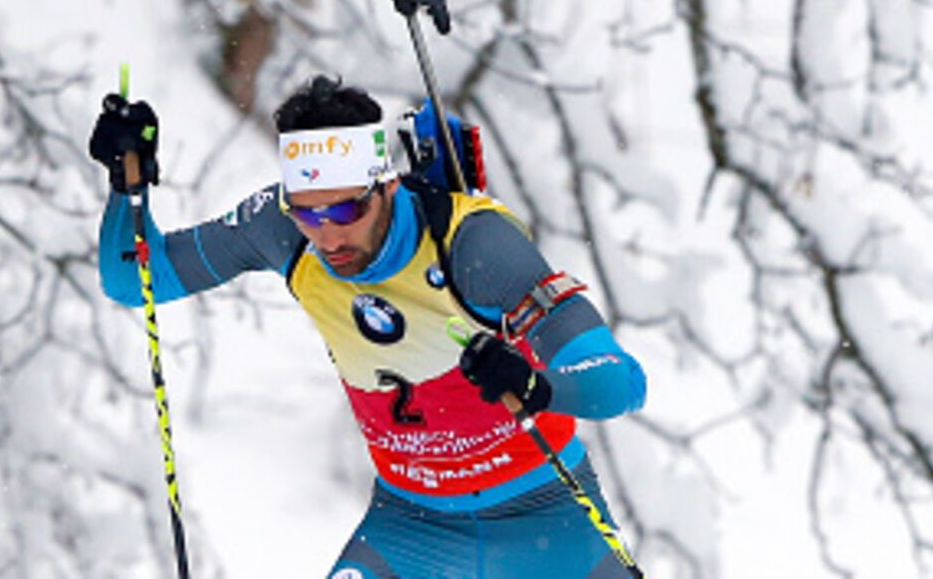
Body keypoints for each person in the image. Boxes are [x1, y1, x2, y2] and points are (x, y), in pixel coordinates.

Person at [88, 75, 647, 579]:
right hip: (410, 528)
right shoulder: (281, 230)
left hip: (545, 519)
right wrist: (126, 186)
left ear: (386, 187)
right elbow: (132, 279)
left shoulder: (474, 245)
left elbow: (622, 381)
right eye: (308, 213)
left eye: (345, 212)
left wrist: (538, 385)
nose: (328, 238)